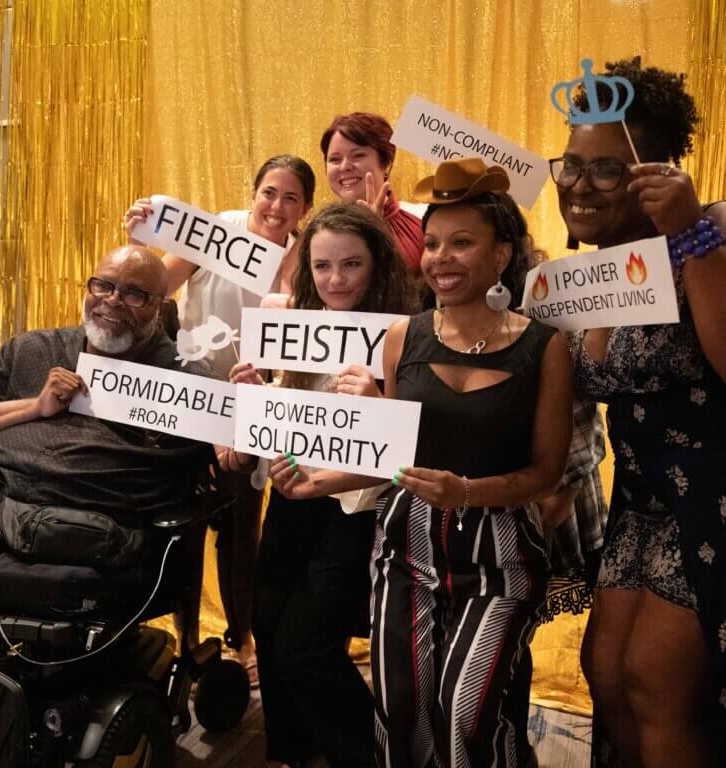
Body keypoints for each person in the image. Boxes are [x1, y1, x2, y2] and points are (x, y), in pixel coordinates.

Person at [270, 158, 573, 767]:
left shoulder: (546, 346)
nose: (440, 259)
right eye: (432, 244)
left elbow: (546, 472)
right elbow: (392, 456)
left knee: (466, 713)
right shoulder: (403, 337)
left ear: (502, 254)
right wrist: (316, 480)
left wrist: (467, 492)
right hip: (405, 550)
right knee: (401, 710)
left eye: (462, 243)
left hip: (499, 553)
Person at [551, 57, 726, 767]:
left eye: (605, 169)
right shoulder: (579, 273)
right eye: (570, 164)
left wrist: (692, 236)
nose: (579, 184)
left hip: (713, 497)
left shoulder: (708, 235)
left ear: (653, 173)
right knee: (607, 672)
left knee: (658, 684)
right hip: (640, 498)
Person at [230, 203, 418, 768]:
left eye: (350, 265)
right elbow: (273, 421)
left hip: (357, 506)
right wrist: (253, 391)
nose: (335, 280)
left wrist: (378, 398)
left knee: (304, 644)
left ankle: (368, 755)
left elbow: (413, 439)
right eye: (322, 266)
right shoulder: (290, 323)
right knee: (266, 624)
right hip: (291, 493)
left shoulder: (403, 332)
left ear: (377, 266)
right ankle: (287, 750)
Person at [124, 155, 316, 686]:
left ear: (305, 206)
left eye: (291, 197)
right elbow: (159, 280)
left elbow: (293, 322)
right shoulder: (216, 232)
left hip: (252, 397)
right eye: (269, 193)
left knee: (239, 525)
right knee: (179, 521)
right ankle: (183, 641)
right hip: (188, 391)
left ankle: (243, 636)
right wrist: (140, 236)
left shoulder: (304, 253)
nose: (277, 206)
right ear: (253, 193)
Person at [0, 247, 215, 621]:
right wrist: (34, 407)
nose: (113, 301)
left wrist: (236, 450)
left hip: (90, 525)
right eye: (103, 285)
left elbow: (227, 459)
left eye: (134, 293)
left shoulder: (187, 381)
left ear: (160, 307)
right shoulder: (33, 348)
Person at [320, 112, 424, 277]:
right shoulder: (319, 231)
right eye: (335, 159)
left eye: (358, 155)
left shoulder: (422, 224)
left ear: (386, 163)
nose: (345, 166)